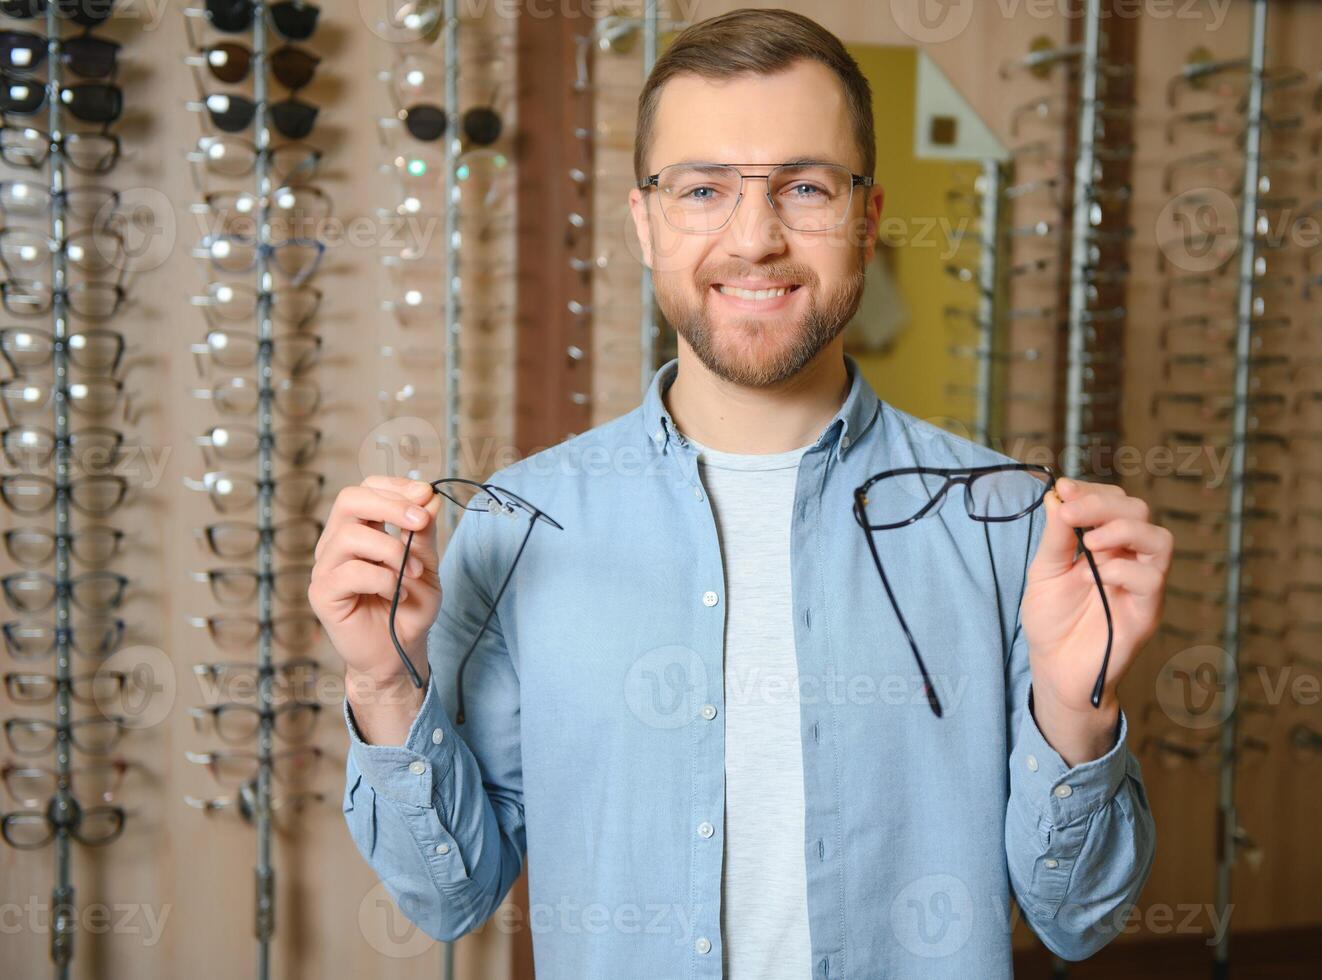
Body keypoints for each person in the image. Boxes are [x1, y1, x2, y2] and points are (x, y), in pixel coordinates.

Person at [309, 9, 1167, 977]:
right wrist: (384, 681)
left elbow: (1078, 918)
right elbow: (452, 891)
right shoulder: (516, 528)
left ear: (868, 217)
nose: (753, 239)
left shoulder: (1009, 529)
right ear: (644, 223)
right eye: (702, 188)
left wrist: (1076, 708)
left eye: (804, 186)